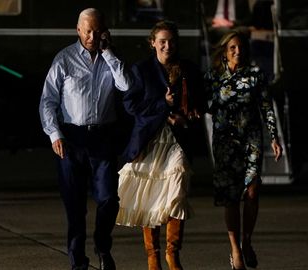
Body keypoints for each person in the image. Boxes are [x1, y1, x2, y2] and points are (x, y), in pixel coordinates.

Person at [39, 8, 131, 270]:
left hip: (102, 136)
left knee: (108, 198)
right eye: (87, 30)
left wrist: (108, 53)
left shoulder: (110, 57)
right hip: (72, 138)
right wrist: (54, 133)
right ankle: (77, 261)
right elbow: (47, 101)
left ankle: (103, 246)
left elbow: (125, 85)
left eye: (97, 30)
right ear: (78, 30)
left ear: (104, 30)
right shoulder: (64, 59)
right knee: (75, 206)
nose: (92, 36)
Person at [115, 21, 206, 270]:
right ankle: (153, 258)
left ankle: (172, 254)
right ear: (153, 42)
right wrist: (163, 108)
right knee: (151, 198)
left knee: (177, 192)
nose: (167, 45)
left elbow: (201, 98)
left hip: (177, 141)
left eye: (171, 41)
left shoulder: (188, 69)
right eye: (162, 41)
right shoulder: (142, 70)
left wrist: (192, 113)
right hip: (149, 139)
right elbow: (131, 106)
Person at [204, 30, 282, 270]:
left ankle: (246, 241)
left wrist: (274, 137)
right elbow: (202, 104)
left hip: (252, 140)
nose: (238, 51)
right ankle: (235, 249)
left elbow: (267, 106)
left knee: (252, 191)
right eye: (232, 48)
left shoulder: (255, 74)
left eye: (241, 48)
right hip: (226, 143)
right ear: (225, 52)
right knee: (230, 197)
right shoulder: (213, 77)